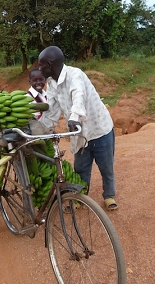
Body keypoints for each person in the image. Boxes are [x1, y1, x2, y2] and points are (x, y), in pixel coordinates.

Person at [37, 46, 118, 210]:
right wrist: (37, 130)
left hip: (99, 129)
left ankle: (109, 196)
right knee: (81, 169)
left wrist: (74, 117)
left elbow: (78, 95)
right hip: (79, 133)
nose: (39, 69)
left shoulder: (75, 75)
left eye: (41, 65)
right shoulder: (51, 83)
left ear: (50, 64)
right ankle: (81, 198)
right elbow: (51, 110)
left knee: (106, 167)